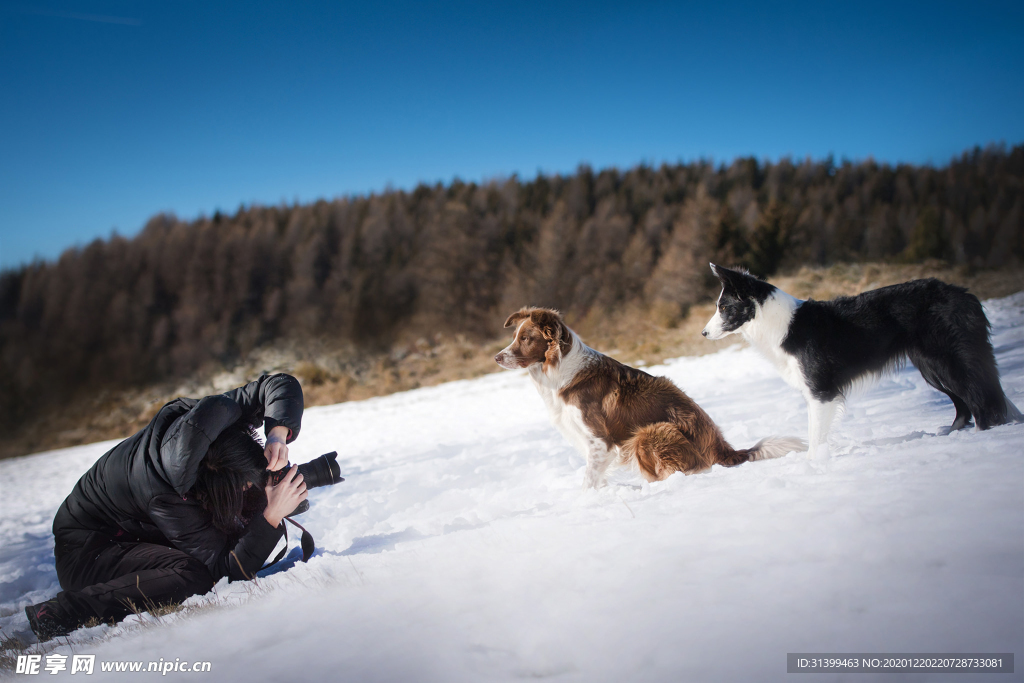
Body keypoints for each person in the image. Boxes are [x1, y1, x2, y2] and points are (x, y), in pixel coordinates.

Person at [24, 373, 308, 641]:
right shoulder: (165, 493)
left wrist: (275, 436)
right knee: (193, 575)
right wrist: (270, 515)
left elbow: (280, 383)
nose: (251, 489)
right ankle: (63, 611)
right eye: (242, 487)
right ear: (213, 488)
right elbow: (225, 569)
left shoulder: (213, 420)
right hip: (88, 551)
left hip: (132, 526)